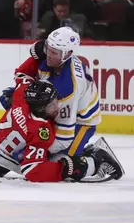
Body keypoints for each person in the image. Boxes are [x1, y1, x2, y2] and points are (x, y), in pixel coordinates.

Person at [0, 79, 123, 182]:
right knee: (66, 165)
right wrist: (65, 169)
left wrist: (38, 51)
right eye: (51, 105)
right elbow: (32, 170)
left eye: (55, 100)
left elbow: (23, 80)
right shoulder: (41, 131)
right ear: (40, 108)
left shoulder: (22, 96)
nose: (57, 107)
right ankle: (93, 162)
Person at [12, 27, 102, 158]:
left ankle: (98, 158)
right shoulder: (47, 54)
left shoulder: (68, 87)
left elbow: (63, 138)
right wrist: (19, 93)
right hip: (56, 110)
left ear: (68, 54)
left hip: (81, 122)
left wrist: (34, 152)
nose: (49, 54)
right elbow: (21, 72)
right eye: (48, 49)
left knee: (63, 165)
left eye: (53, 52)